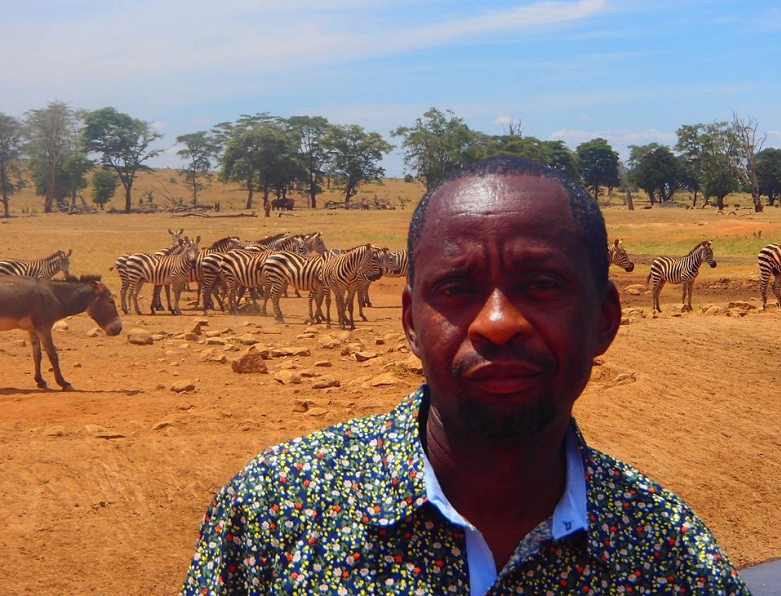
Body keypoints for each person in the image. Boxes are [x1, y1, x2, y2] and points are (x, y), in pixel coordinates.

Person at [181, 156, 750, 594]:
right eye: (456, 290)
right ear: (409, 321)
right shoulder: (274, 511)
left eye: (542, 285)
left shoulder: (674, 555)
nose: (498, 323)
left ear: (604, 320)